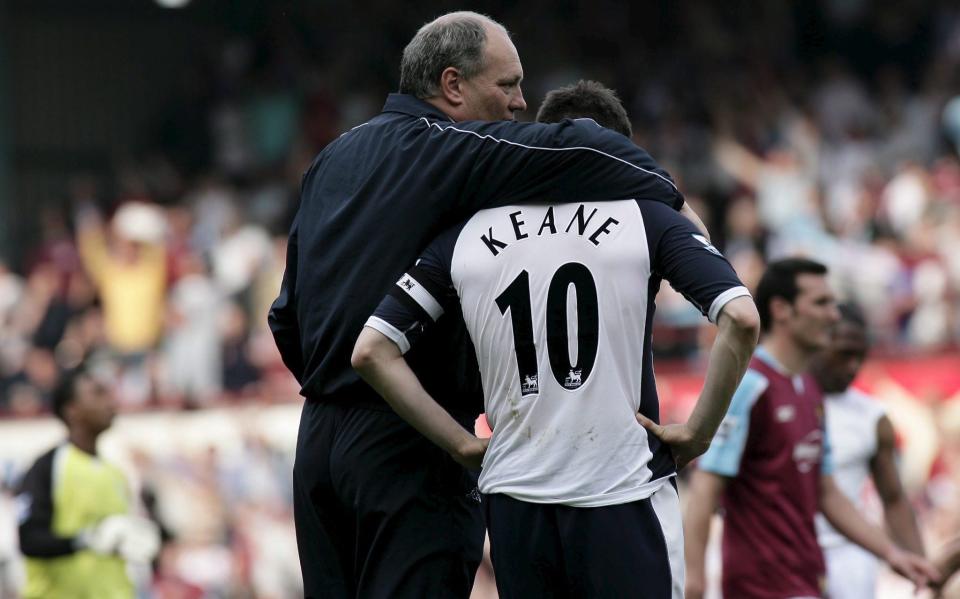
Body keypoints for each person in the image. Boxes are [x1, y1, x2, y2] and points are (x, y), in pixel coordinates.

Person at [268, 12, 704, 599]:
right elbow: (579, 145)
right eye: (508, 86)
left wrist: (335, 393)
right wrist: (674, 209)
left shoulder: (331, 158)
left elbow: (285, 315)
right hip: (411, 439)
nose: (521, 103)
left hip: (318, 443)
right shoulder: (449, 146)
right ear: (453, 86)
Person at [351, 80, 760, 599]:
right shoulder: (646, 217)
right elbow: (741, 319)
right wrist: (699, 432)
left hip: (516, 500)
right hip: (622, 488)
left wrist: (460, 444)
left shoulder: (467, 233)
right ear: (620, 152)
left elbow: (372, 350)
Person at [683, 258, 939, 599]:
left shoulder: (808, 388)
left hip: (805, 581)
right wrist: (694, 580)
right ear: (782, 310)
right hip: (760, 586)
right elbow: (704, 489)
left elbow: (827, 492)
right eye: (821, 303)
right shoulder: (750, 386)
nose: (833, 315)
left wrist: (892, 554)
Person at [809, 302, 925, 599]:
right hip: (783, 553)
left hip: (851, 555)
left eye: (860, 357)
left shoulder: (872, 417)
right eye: (845, 353)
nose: (853, 367)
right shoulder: (773, 400)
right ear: (818, 339)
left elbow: (894, 498)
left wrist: (921, 566)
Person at [14, 365, 159, 599]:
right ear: (72, 410)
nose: (110, 402)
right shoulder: (48, 467)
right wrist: (86, 539)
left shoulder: (116, 473)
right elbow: (29, 539)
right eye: (98, 394)